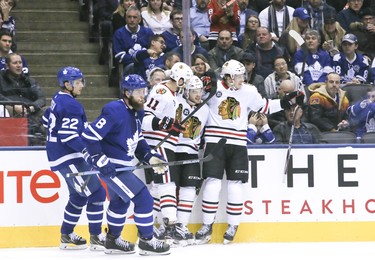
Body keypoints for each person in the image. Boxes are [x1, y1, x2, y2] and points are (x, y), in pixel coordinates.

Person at [195, 59, 304, 245]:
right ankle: (207, 225)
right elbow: (195, 98)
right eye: (238, 76)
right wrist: (204, 77)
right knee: (212, 183)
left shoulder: (249, 91)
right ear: (228, 77)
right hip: (215, 141)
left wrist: (286, 102)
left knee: (235, 184)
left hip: (238, 142)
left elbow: (265, 106)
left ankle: (233, 225)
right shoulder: (213, 90)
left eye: (242, 76)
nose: (241, 79)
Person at [81, 74, 170, 255]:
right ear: (127, 92)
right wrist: (99, 159)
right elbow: (89, 136)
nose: (142, 95)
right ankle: (147, 241)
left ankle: (113, 241)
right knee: (143, 198)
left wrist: (151, 157)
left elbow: (138, 141)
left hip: (123, 166)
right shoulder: (114, 110)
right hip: (112, 168)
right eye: (138, 92)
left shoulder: (138, 111)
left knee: (120, 201)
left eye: (143, 91)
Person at [43, 66, 106, 251]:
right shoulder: (71, 104)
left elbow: (46, 120)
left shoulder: (58, 98)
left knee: (78, 197)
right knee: (97, 193)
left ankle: (67, 234)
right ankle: (95, 236)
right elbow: (68, 135)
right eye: (78, 82)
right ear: (67, 84)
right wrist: (87, 152)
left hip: (60, 155)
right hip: (68, 156)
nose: (82, 85)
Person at [141, 62, 193, 244]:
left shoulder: (174, 94)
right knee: (167, 184)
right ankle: (170, 225)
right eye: (184, 81)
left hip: (166, 143)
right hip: (157, 143)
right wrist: (164, 124)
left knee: (157, 188)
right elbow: (144, 117)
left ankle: (155, 226)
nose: (186, 84)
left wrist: (173, 126)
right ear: (178, 79)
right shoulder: (161, 91)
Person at [171, 75, 209, 246]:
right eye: (194, 91)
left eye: (200, 90)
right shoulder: (176, 102)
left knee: (188, 188)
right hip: (173, 151)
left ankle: (181, 226)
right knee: (168, 189)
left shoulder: (205, 109)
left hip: (191, 153)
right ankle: (168, 226)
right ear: (186, 91)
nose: (197, 94)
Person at [0, 53, 45, 144]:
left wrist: (32, 107)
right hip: (9, 109)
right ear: (7, 66)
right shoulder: (1, 78)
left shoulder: (29, 81)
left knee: (48, 111)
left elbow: (41, 99)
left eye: (20, 63)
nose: (18, 65)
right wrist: (14, 106)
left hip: (29, 110)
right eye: (15, 63)